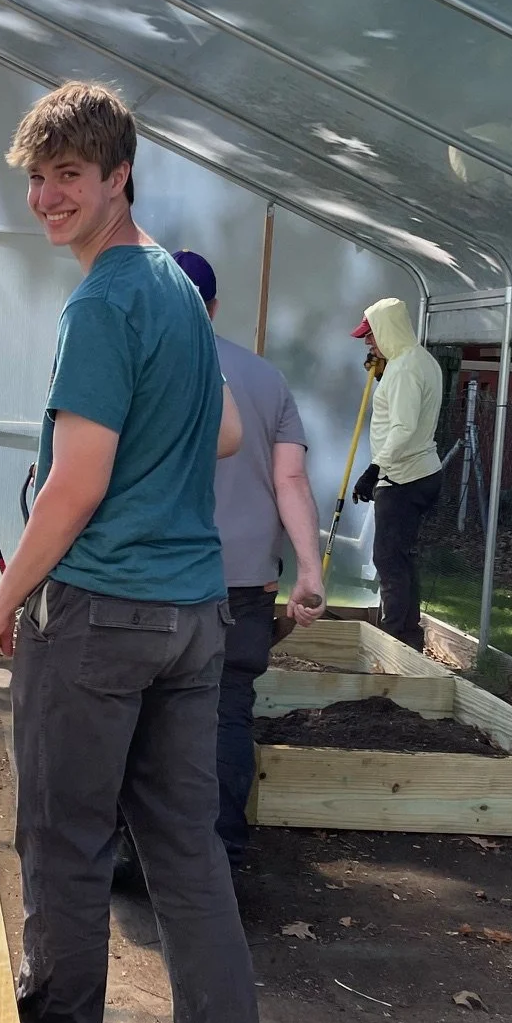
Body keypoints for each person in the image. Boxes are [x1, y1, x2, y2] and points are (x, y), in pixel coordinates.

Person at [0, 81, 284, 1023]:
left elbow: (75, 483)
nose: (49, 197)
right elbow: (228, 438)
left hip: (101, 616)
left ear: (117, 177)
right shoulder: (178, 293)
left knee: (63, 845)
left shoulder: (104, 299)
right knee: (185, 850)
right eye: (38, 177)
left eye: (70, 176)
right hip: (195, 617)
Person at [173, 250, 326, 866]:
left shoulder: (149, 369)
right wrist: (310, 573)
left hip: (165, 579)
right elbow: (291, 482)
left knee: (149, 715)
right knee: (227, 714)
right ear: (212, 307)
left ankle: (150, 853)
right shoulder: (265, 378)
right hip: (246, 583)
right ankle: (225, 852)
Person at [349, 297, 445, 651]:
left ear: (387, 330)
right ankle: (409, 636)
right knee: (401, 557)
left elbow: (403, 429)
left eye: (371, 335)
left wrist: (374, 470)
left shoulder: (405, 369)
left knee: (388, 559)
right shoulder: (418, 361)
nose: (367, 342)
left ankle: (393, 641)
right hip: (421, 472)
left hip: (402, 478)